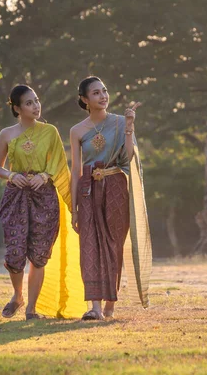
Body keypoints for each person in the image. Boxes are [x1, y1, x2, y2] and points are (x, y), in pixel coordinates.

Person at [0, 84, 84, 320]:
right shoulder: (7, 134)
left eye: (37, 101)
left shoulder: (50, 131)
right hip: (16, 196)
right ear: (17, 108)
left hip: (44, 197)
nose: (36, 106)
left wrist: (45, 176)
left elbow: (58, 163)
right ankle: (17, 296)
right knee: (14, 251)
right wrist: (13, 175)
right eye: (29, 103)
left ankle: (31, 309)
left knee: (39, 253)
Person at [70, 76, 152, 320]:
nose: (103, 96)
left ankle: (110, 304)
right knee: (89, 247)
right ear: (85, 100)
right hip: (88, 190)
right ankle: (94, 307)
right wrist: (74, 208)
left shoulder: (118, 123)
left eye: (104, 91)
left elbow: (129, 157)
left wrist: (129, 126)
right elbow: (75, 170)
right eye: (96, 93)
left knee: (113, 246)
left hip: (116, 187)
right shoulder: (77, 130)